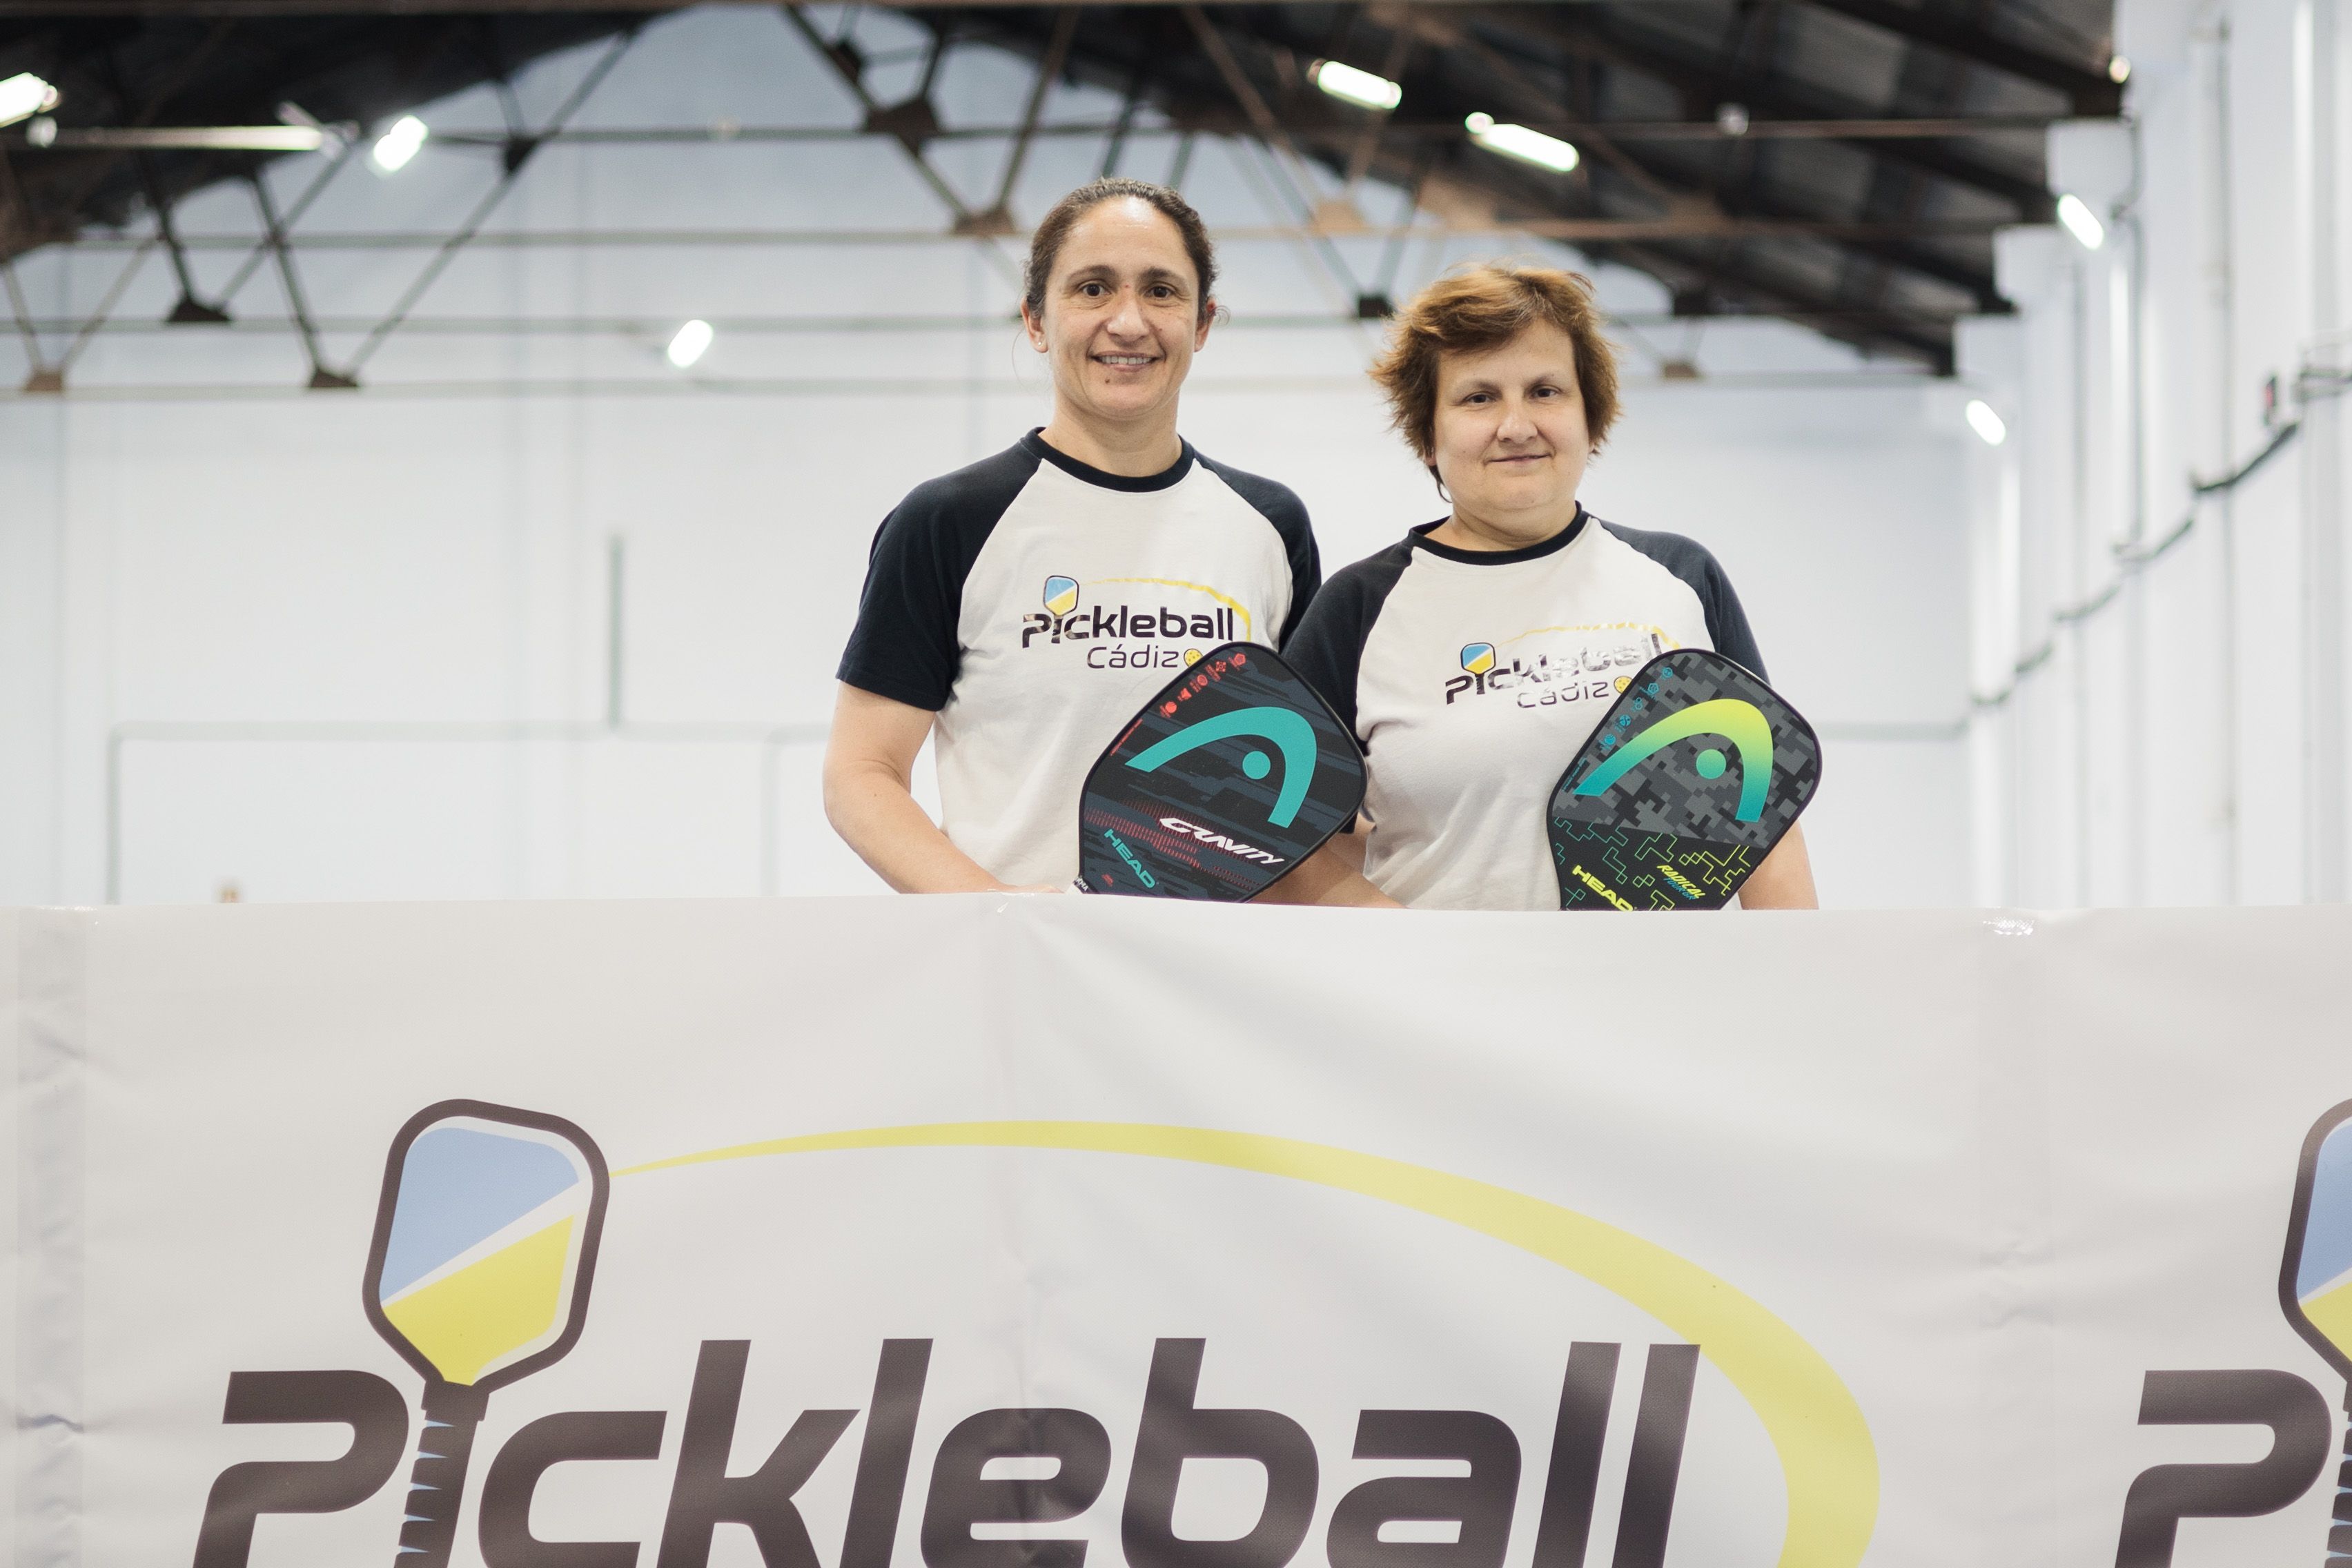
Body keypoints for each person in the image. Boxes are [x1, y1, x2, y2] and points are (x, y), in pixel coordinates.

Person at [824, 179, 1321, 893]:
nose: (1127, 322)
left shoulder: (1271, 526)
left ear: (1203, 323)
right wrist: (1002, 916)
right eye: (1092, 289)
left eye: (1161, 291)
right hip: (1019, 975)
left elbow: (1302, 775)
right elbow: (859, 774)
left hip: (1211, 977)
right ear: (1036, 320)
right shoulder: (948, 522)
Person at [1275, 263, 1818, 910]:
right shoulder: (1360, 609)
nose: (1516, 425)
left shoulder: (1679, 579)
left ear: (1591, 415)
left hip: (1648, 1000)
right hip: (1427, 1005)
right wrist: (1405, 943)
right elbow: (1277, 841)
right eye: (1478, 397)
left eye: (1545, 391)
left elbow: (1764, 819)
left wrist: (1797, 987)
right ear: (1427, 433)